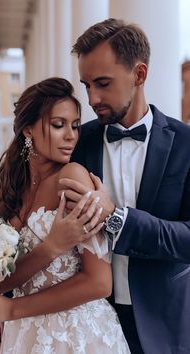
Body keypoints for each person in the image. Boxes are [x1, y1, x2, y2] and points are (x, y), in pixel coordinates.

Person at [56, 18, 190, 354]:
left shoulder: (186, 144)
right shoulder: (76, 143)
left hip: (165, 323)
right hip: (89, 321)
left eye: (102, 83)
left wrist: (117, 216)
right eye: (86, 85)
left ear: (140, 75)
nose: (92, 98)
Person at [0, 77, 130, 354]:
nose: (71, 135)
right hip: (21, 335)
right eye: (59, 125)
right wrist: (51, 248)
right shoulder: (1, 193)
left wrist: (12, 309)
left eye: (75, 125)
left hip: (76, 334)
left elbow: (99, 283)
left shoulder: (72, 178)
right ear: (28, 129)